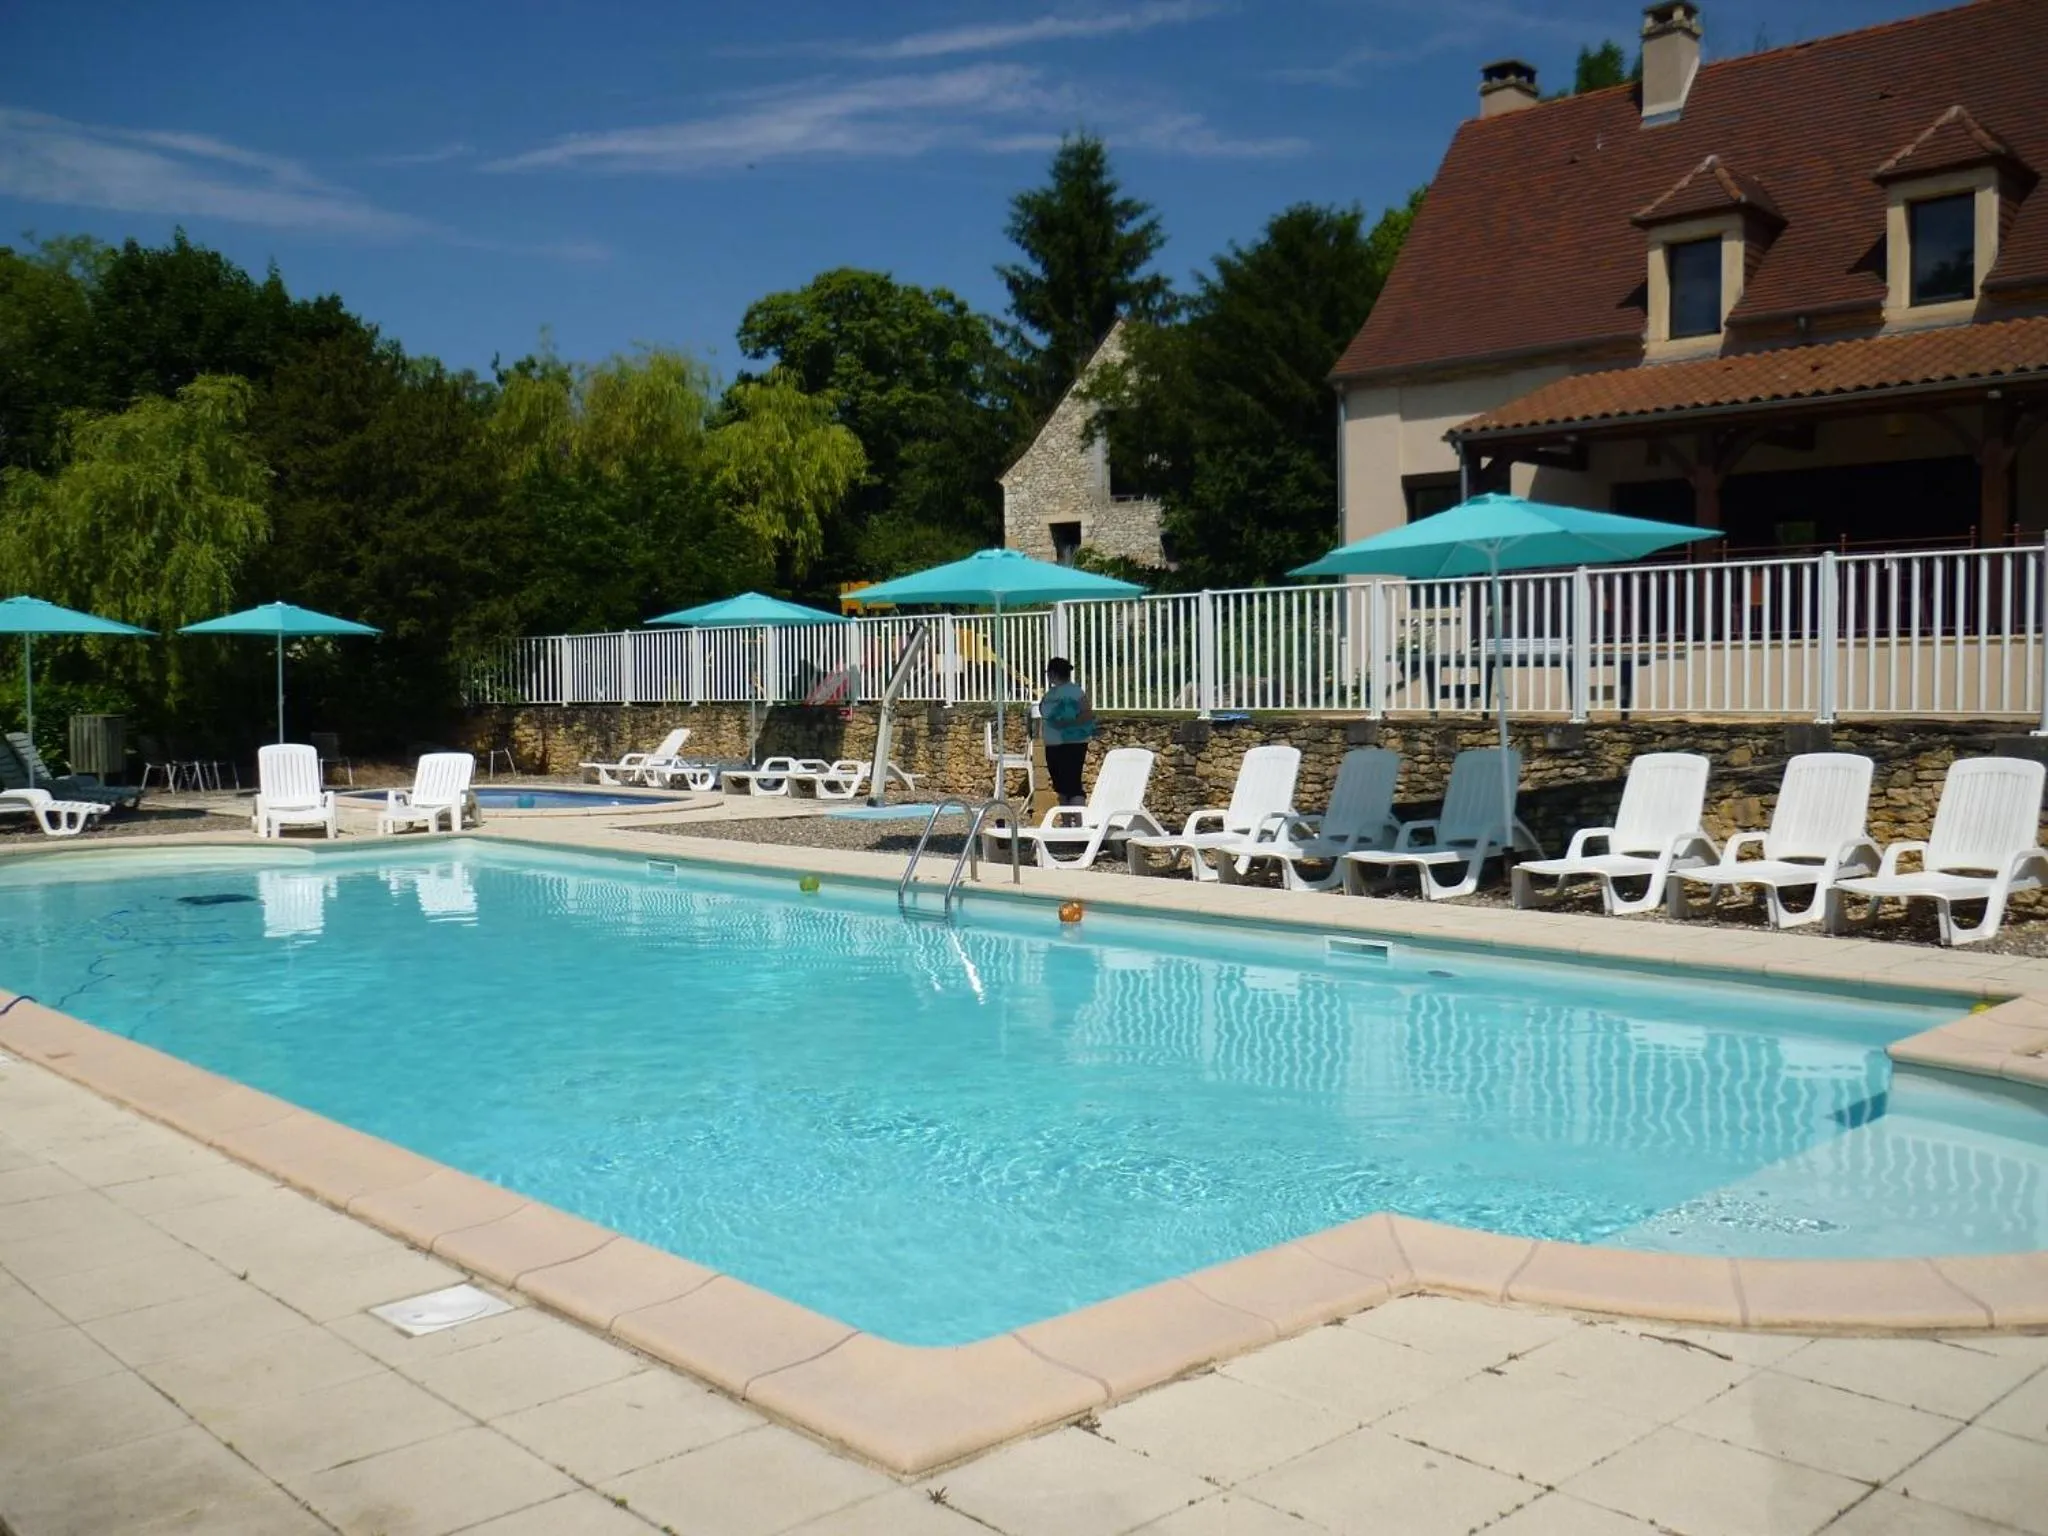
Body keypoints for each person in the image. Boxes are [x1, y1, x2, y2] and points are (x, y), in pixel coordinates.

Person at [1037, 657, 1097, 806]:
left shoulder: (1074, 691)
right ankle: (1066, 817)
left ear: (1053, 673)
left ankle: (1078, 818)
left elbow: (1087, 714)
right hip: (1054, 744)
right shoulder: (1053, 693)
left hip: (1071, 744)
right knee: (1061, 788)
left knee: (1072, 786)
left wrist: (1067, 724)